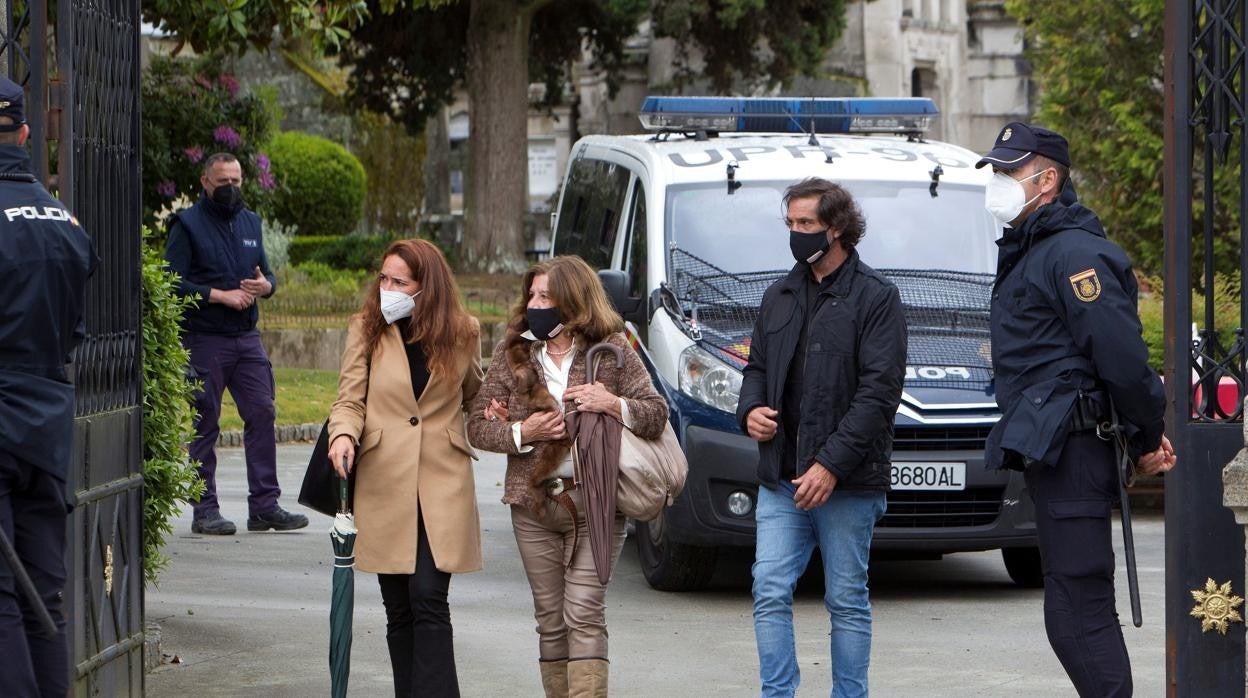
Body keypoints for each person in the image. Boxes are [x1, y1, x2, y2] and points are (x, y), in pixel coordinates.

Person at [976, 122, 1176, 697]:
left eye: (1009, 170)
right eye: (995, 169)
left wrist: (1145, 434)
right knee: (1072, 600)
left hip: (1076, 447)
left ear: (1049, 178)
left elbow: (1120, 356)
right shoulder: (1034, 249)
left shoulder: (1074, 253)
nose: (998, 181)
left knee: (1079, 606)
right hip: (1058, 449)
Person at [736, 177, 908, 698]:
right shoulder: (779, 294)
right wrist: (750, 412)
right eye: (790, 224)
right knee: (768, 590)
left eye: (805, 224)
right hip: (781, 478)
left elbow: (879, 395)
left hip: (847, 483)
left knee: (846, 599)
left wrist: (830, 466)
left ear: (837, 228)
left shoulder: (877, 298)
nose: (796, 234)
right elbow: (758, 367)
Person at [466, 255, 668, 698]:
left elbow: (656, 413)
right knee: (551, 618)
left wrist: (611, 403)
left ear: (574, 301)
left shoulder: (611, 350)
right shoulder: (514, 353)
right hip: (534, 505)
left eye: (547, 297)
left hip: (595, 502)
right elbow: (477, 427)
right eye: (532, 296)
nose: (536, 304)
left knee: (584, 612)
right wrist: (523, 431)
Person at [326, 239, 483, 697]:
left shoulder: (463, 332)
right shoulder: (366, 328)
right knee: (399, 608)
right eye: (383, 278)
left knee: (429, 597)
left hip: (443, 481)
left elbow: (475, 396)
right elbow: (349, 398)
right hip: (385, 481)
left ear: (426, 287)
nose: (387, 288)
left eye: (399, 281)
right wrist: (341, 434)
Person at [0, 76, 96, 697]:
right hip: (48, 426)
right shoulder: (65, 220)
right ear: (26, 135)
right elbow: (77, 329)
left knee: (3, 601)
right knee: (46, 596)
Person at [164, 153, 307, 535]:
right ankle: (204, 510)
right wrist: (218, 295)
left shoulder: (251, 223)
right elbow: (172, 283)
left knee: (262, 412)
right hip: (204, 339)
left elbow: (267, 272)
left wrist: (267, 287)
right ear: (205, 182)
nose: (230, 189)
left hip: (247, 340)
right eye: (222, 182)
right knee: (204, 423)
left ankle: (264, 506)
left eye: (236, 181)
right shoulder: (187, 225)